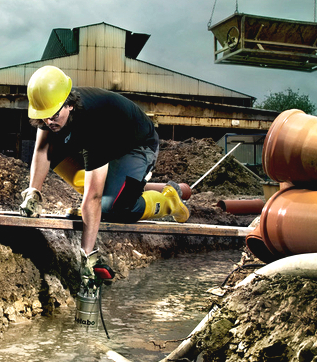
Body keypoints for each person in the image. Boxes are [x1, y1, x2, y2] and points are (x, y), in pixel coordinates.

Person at [18, 65, 189, 280]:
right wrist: (33, 192)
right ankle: (125, 187)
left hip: (136, 145)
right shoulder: (50, 106)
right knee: (62, 159)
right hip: (109, 141)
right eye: (43, 118)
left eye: (53, 115)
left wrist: (87, 256)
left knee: (111, 206)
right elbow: (43, 151)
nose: (48, 122)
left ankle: (168, 200)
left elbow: (94, 196)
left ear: (69, 105)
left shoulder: (92, 121)